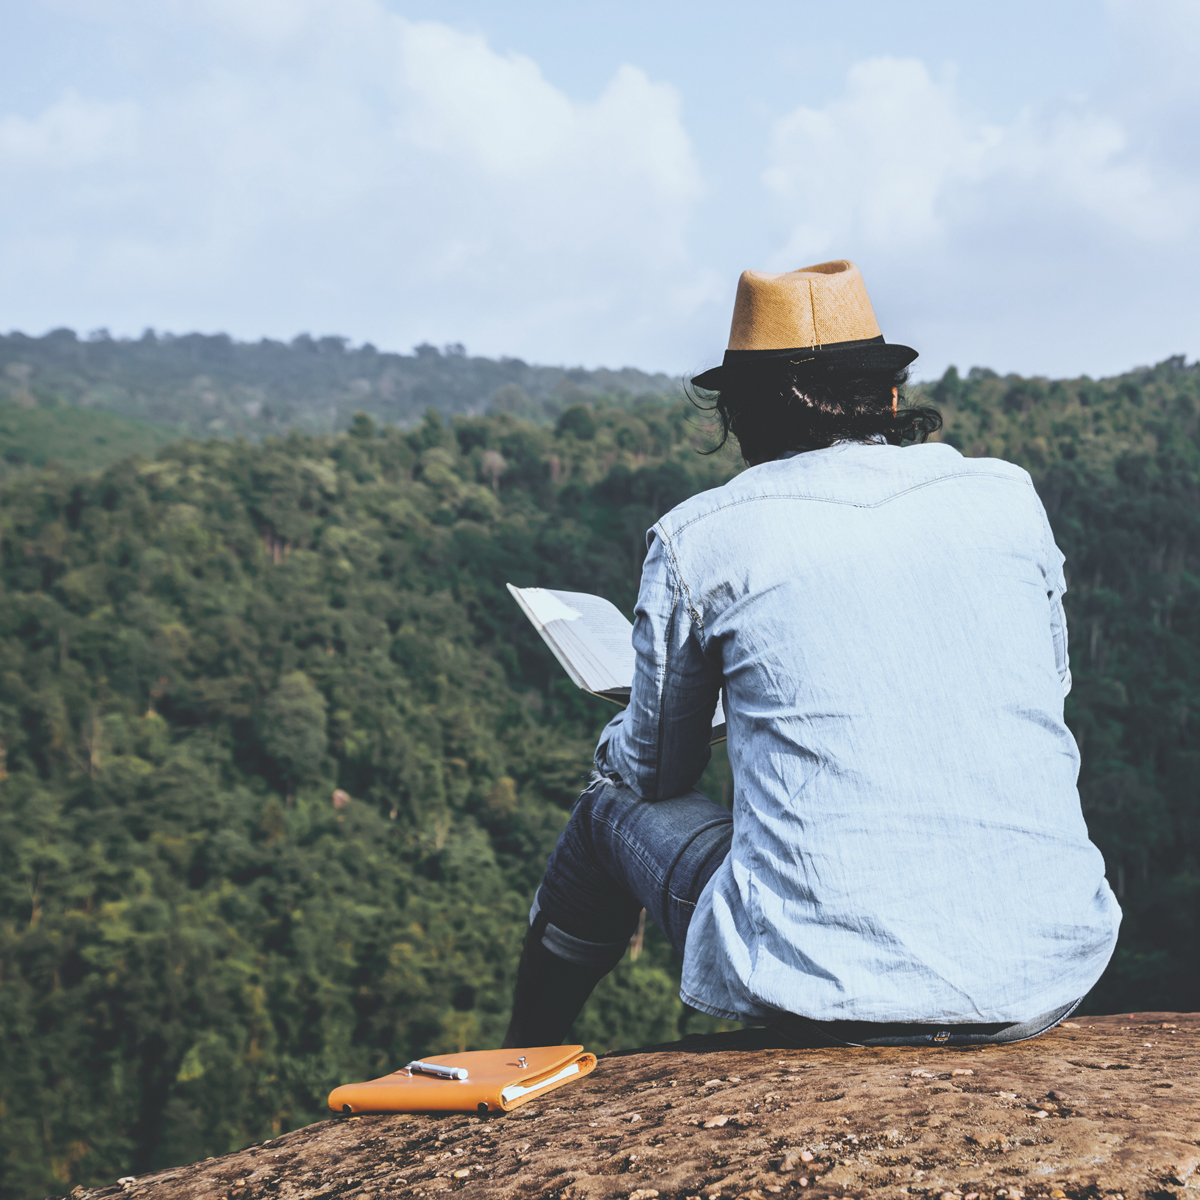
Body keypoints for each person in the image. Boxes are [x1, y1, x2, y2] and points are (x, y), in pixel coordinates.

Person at [502, 260, 1120, 1050]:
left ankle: (523, 1058)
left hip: (819, 982)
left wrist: (640, 727)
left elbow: (654, 774)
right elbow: (1048, 687)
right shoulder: (1008, 496)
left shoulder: (703, 537)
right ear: (889, 397)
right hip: (1046, 970)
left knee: (606, 809)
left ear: (741, 417)